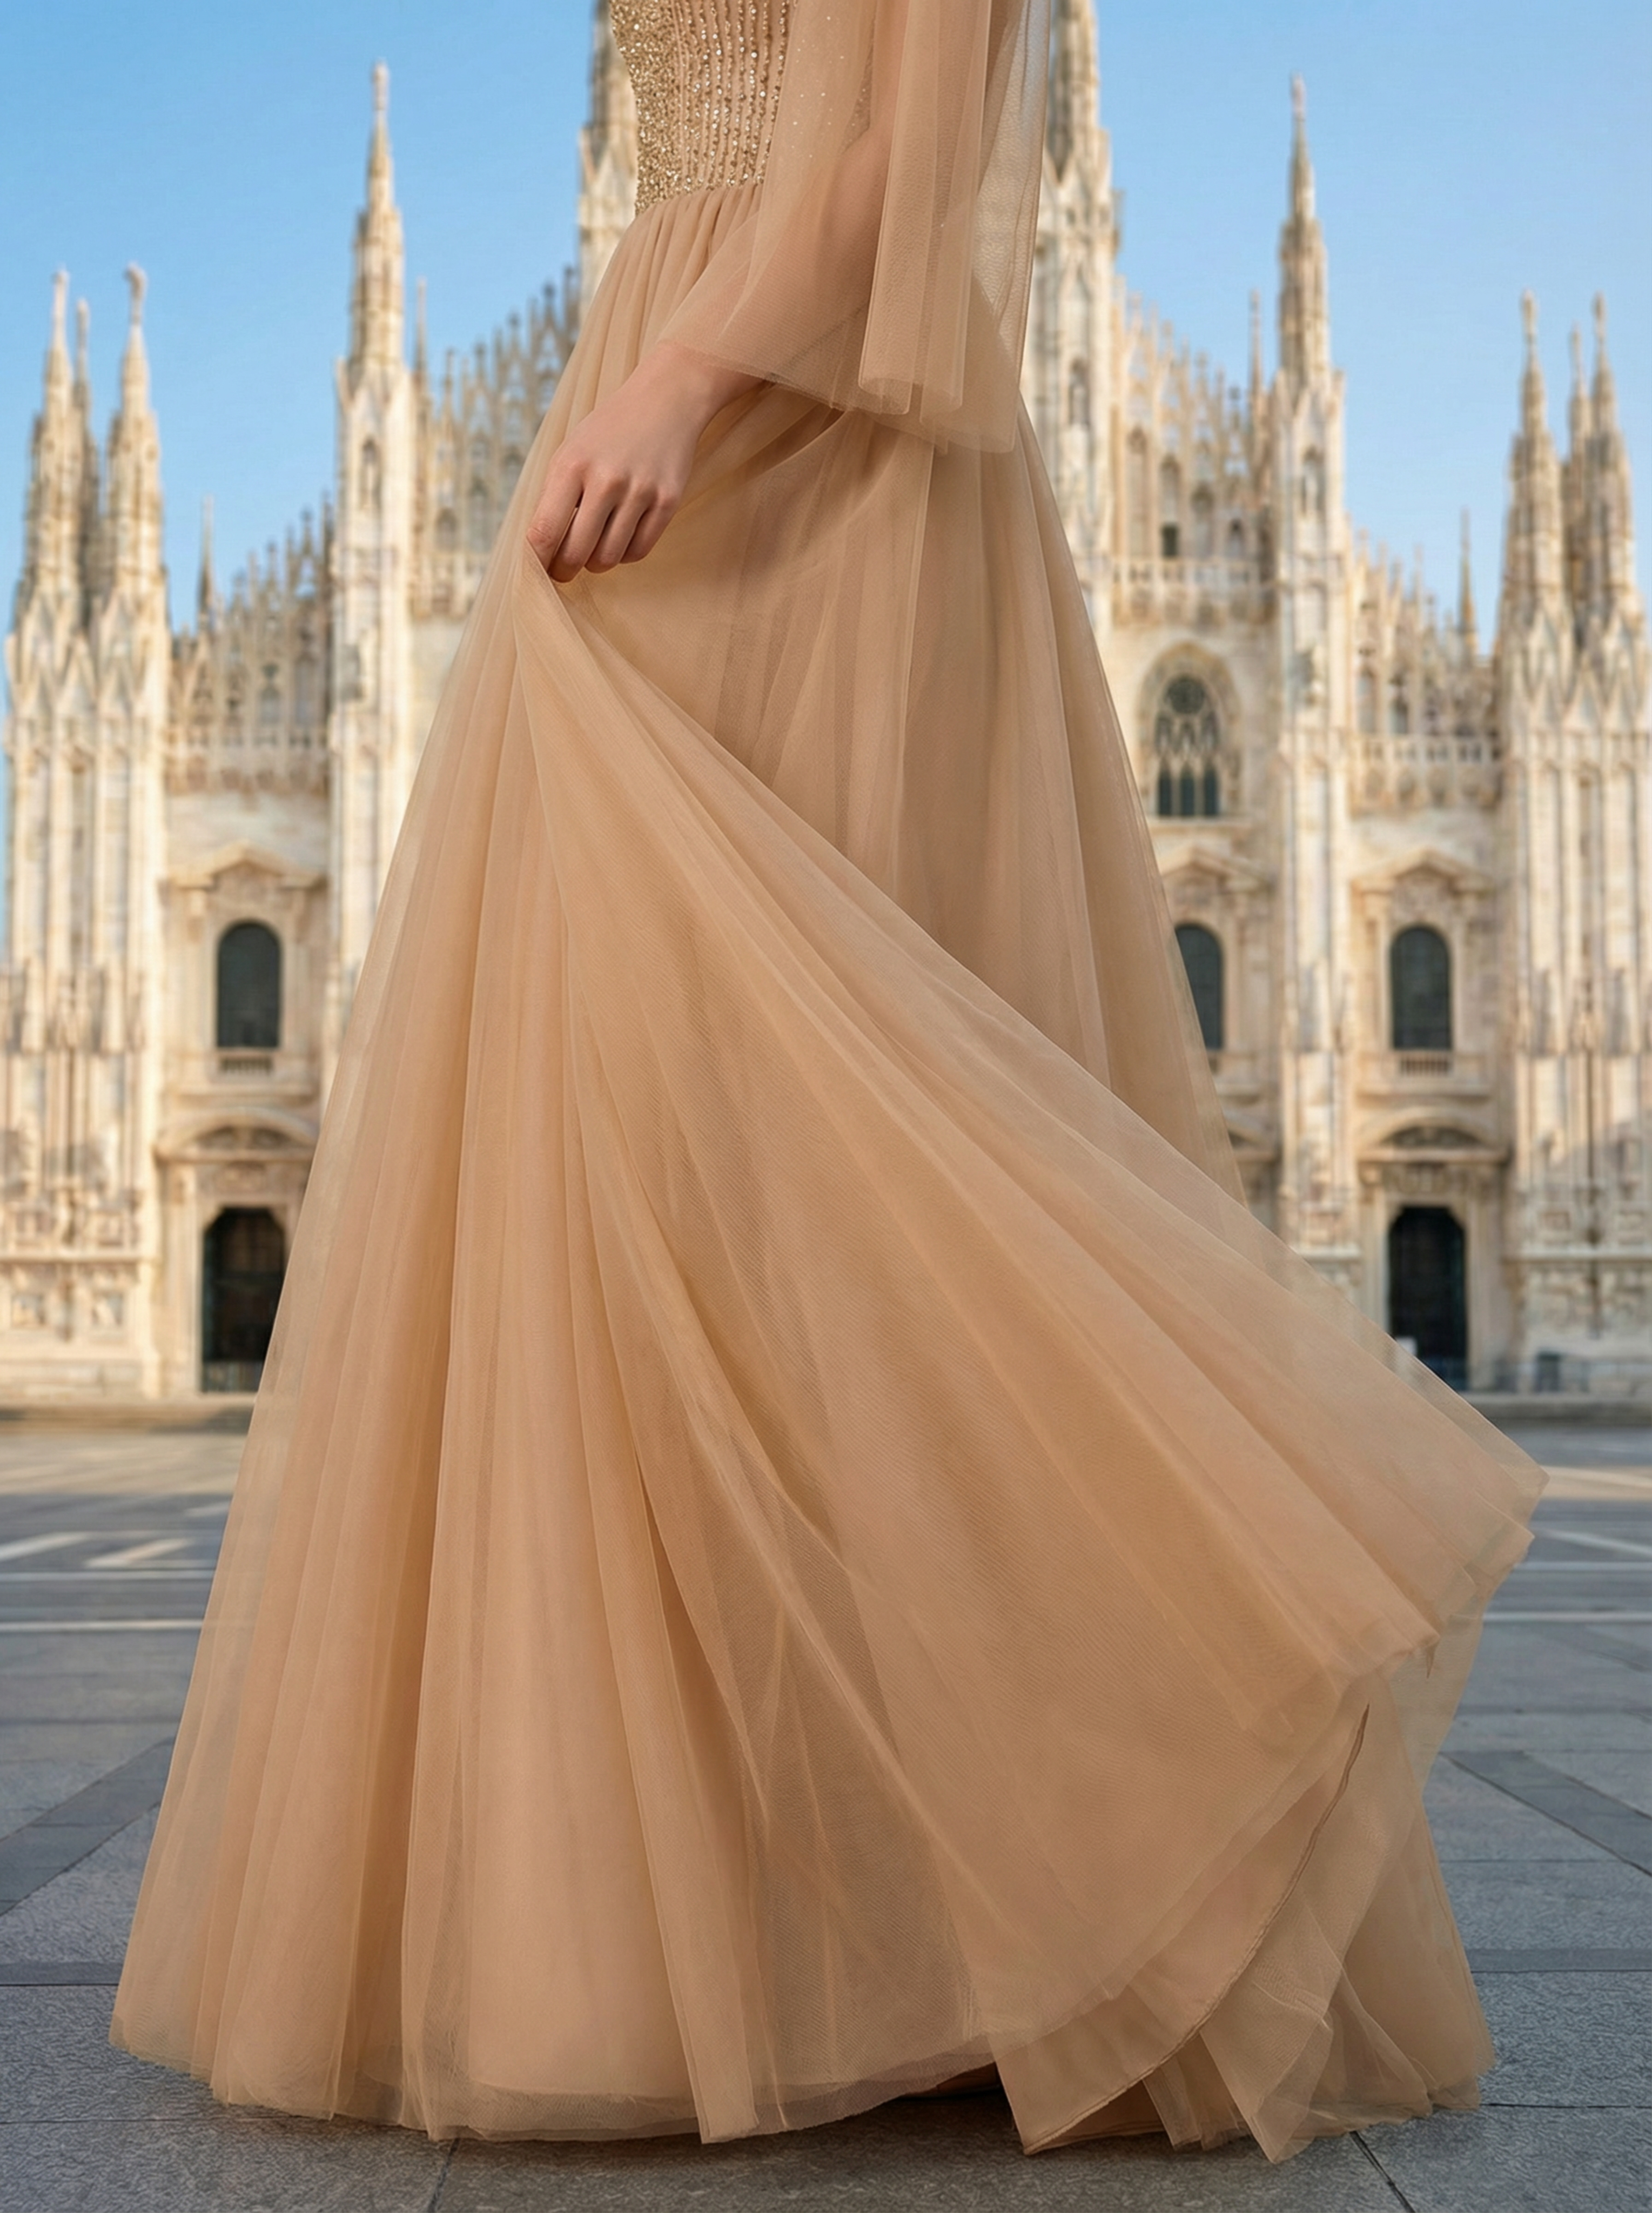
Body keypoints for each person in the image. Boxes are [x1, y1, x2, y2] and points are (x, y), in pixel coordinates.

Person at [112, 0, 1541, 2162]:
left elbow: (905, 152)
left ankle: (1084, 1830)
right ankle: (768, 1926)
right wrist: (650, 360)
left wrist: (686, 379)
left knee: (853, 1182)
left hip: (797, 441)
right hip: (667, 393)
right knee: (664, 1191)